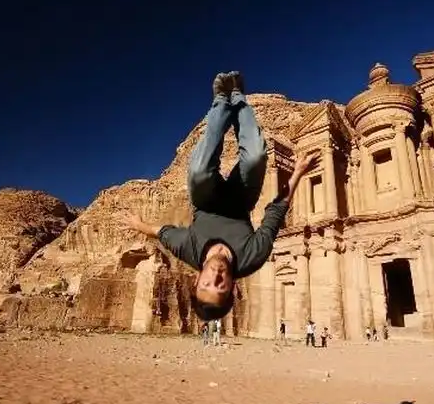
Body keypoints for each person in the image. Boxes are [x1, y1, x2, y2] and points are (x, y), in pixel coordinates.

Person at [122, 72, 316, 321]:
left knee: (199, 171)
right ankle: (237, 97)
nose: (215, 277)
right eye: (220, 287)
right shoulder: (252, 258)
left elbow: (160, 232)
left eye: (206, 284)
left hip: (207, 201)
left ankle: (221, 101)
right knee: (256, 156)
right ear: (233, 288)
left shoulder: (188, 249)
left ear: (196, 280)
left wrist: (139, 225)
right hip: (240, 200)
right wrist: (298, 172)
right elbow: (275, 212)